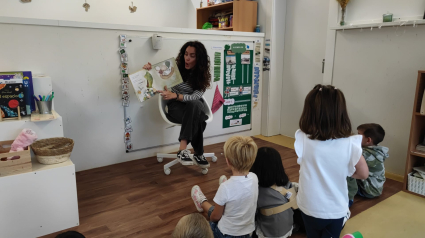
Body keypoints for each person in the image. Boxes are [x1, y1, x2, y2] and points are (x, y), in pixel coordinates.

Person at [295, 84, 369, 238]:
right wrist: (344, 171)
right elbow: (363, 174)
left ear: (309, 112)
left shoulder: (302, 138)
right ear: (341, 113)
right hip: (335, 209)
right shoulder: (350, 143)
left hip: (308, 205)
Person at [143, 41, 211, 168]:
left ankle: (182, 150)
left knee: (194, 104)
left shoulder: (202, 76)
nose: (187, 58)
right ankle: (198, 153)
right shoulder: (174, 68)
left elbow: (195, 96)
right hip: (176, 107)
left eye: (192, 55)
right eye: (186, 54)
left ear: (199, 59)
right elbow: (158, 79)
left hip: (193, 105)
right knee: (200, 119)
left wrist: (177, 95)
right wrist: (149, 71)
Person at [190, 136, 258, 238]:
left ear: (228, 161)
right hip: (247, 233)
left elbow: (216, 217)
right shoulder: (254, 178)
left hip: (225, 234)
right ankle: (230, 195)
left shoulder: (225, 187)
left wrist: (212, 220)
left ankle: (202, 202)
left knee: (203, 227)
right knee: (228, 207)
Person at [250, 147, 296, 238]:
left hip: (268, 233)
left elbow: (250, 213)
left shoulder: (257, 190)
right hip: (288, 228)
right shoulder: (285, 182)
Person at [347, 123, 389, 206]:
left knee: (347, 171)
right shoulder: (375, 149)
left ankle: (348, 198)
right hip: (376, 186)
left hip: (370, 190)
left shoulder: (367, 155)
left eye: (359, 134)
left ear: (368, 140)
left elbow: (348, 160)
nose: (356, 136)